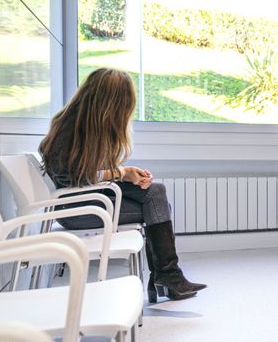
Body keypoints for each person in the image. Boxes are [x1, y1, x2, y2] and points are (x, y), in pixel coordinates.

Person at [39, 68, 207, 303]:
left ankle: (168, 276)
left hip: (92, 200)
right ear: (110, 104)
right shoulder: (69, 130)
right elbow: (72, 179)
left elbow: (89, 172)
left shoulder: (79, 125)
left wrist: (130, 175)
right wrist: (122, 172)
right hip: (77, 211)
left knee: (155, 192)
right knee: (157, 204)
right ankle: (167, 277)